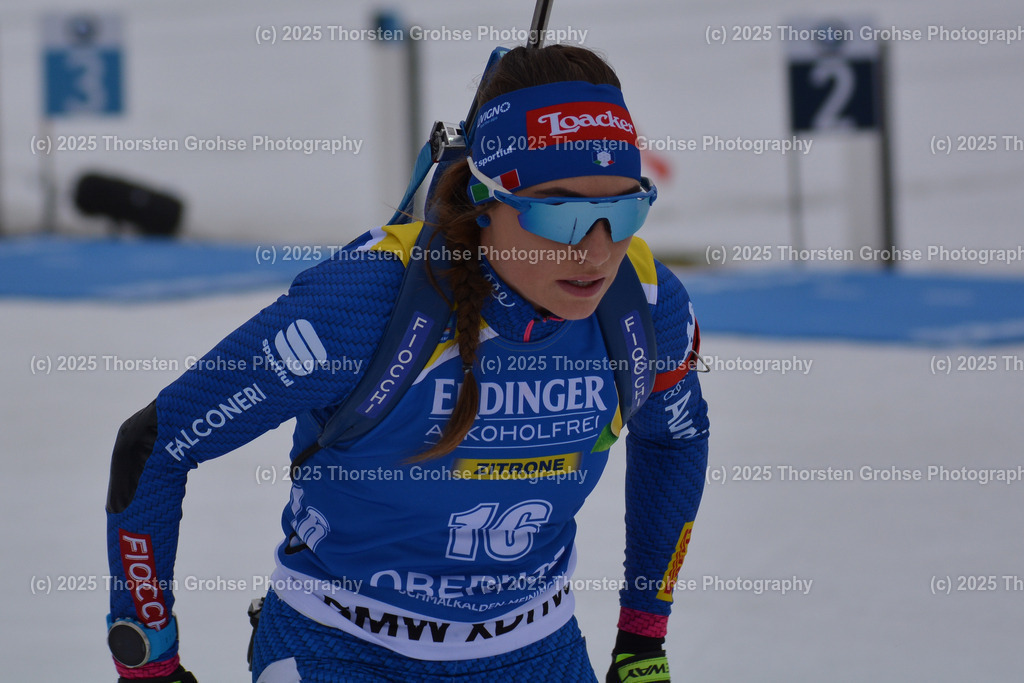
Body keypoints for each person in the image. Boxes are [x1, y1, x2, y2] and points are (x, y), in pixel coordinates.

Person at [104, 44, 709, 683]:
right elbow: (157, 444)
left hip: (536, 651)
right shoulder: (364, 307)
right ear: (484, 197)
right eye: (563, 215)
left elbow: (675, 439)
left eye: (624, 210)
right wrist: (149, 662)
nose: (597, 252)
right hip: (341, 650)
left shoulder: (645, 305)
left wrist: (643, 640)